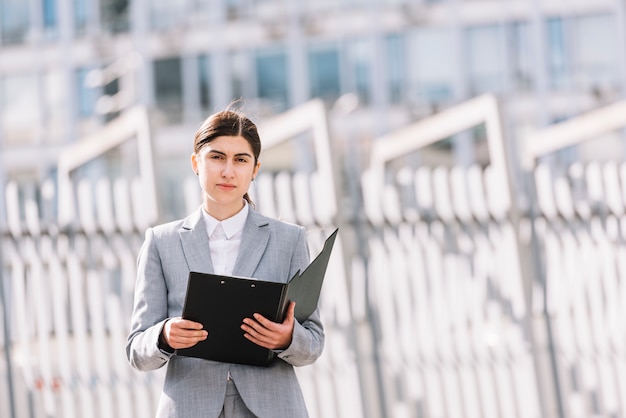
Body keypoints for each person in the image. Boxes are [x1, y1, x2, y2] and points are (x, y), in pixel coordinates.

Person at [126, 108, 325, 418]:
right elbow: (137, 351)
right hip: (190, 407)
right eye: (217, 157)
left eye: (241, 160)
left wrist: (287, 338)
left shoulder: (290, 240)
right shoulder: (161, 242)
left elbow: (313, 342)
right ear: (196, 162)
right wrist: (165, 336)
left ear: (255, 168)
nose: (228, 171)